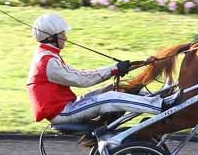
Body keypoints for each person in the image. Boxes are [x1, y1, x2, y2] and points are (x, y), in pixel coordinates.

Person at [26, 13, 163, 125]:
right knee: (110, 98)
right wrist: (113, 69)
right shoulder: (46, 61)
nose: (66, 38)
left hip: (67, 106)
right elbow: (81, 79)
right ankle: (160, 107)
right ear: (50, 37)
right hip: (62, 113)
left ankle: (160, 98)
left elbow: (80, 74)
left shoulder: (48, 56)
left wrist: (118, 68)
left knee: (116, 88)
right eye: (62, 34)